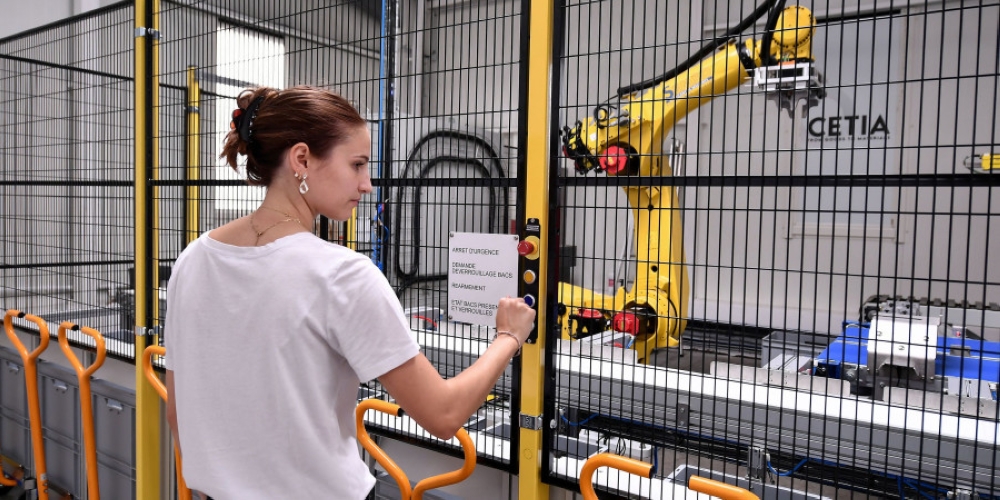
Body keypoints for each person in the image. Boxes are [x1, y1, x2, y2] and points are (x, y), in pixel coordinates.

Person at [164, 86, 535, 500]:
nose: (368, 185)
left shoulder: (193, 260)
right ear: (302, 159)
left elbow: (179, 414)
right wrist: (509, 336)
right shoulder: (341, 274)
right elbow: (444, 414)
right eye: (357, 164)